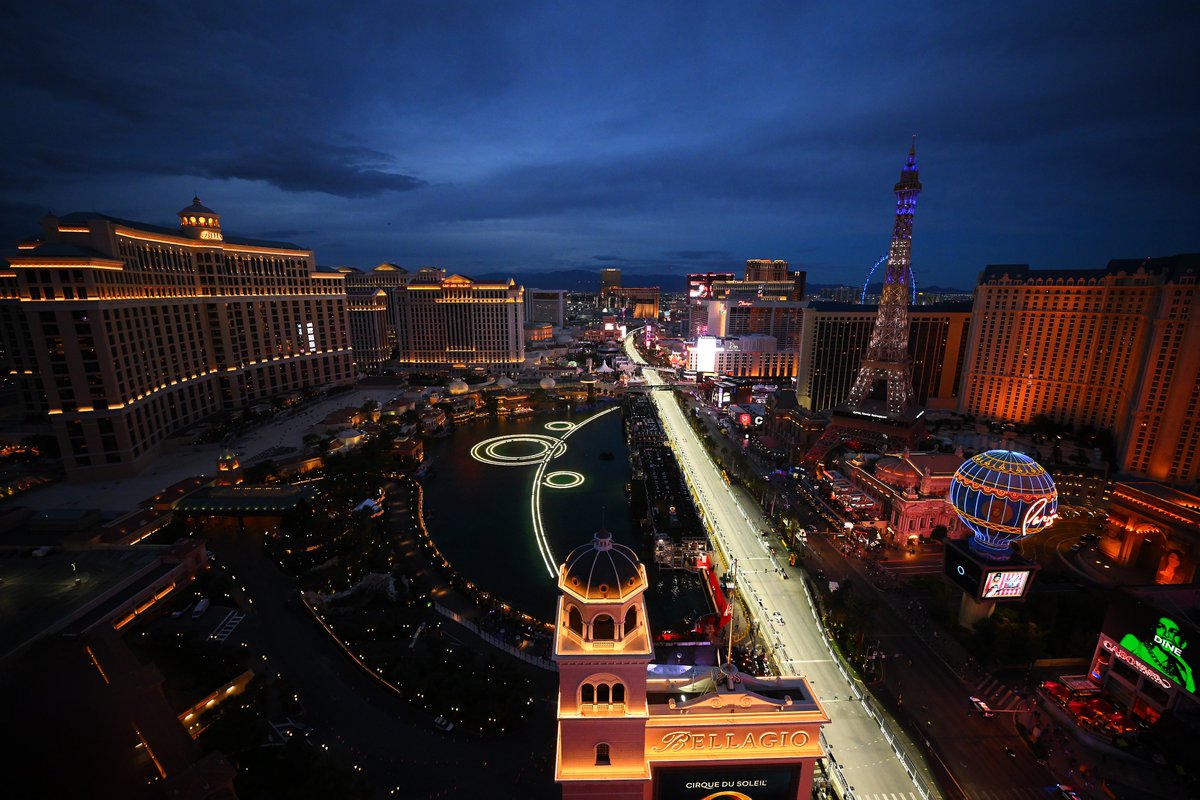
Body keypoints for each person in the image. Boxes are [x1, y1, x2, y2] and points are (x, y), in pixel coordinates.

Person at [1119, 616, 1195, 693]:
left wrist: (1187, 670)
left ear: (1183, 644)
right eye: (1161, 627)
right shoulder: (1133, 642)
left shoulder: (1176, 675)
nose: (1166, 634)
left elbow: (1189, 692)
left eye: (1173, 632)